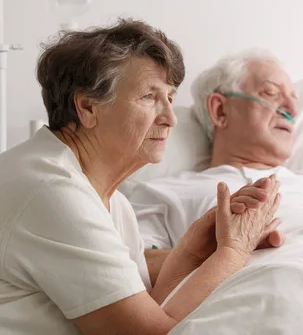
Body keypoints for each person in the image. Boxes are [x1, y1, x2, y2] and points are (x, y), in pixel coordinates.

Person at [0, 23, 281, 335]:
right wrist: (234, 250)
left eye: (171, 98)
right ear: (88, 107)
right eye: (149, 96)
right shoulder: (53, 190)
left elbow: (149, 310)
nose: (170, 118)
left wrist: (191, 251)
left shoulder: (112, 202)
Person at [128, 50, 303, 253]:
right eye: (271, 93)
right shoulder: (163, 194)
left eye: (294, 100)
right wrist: (225, 252)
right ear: (220, 111)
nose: (293, 111)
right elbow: (132, 276)